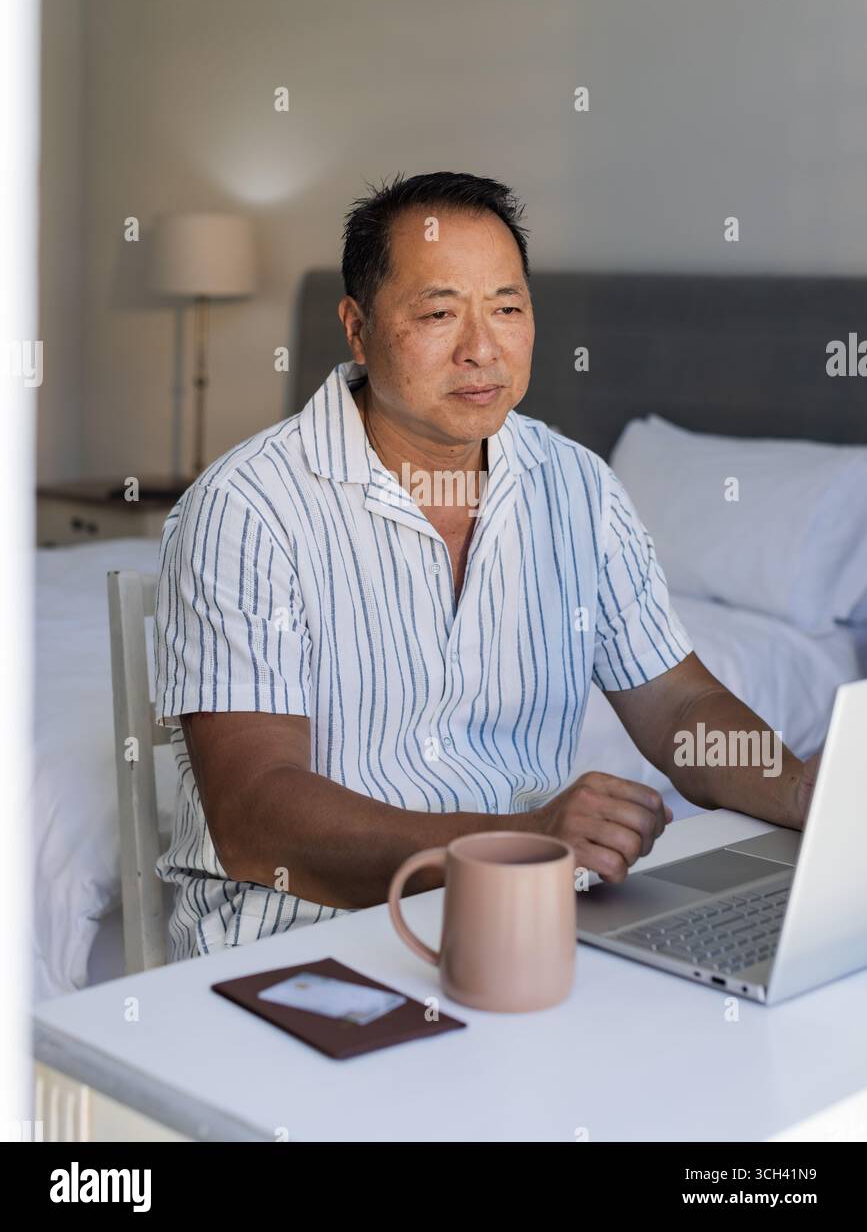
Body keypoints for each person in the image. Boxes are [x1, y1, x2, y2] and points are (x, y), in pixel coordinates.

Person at [153, 171, 818, 959]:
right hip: (302, 943)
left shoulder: (575, 486)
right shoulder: (248, 505)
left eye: (506, 308)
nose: (481, 348)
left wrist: (806, 792)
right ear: (357, 328)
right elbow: (255, 817)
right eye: (438, 313)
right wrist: (515, 839)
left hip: (524, 919)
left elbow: (677, 706)